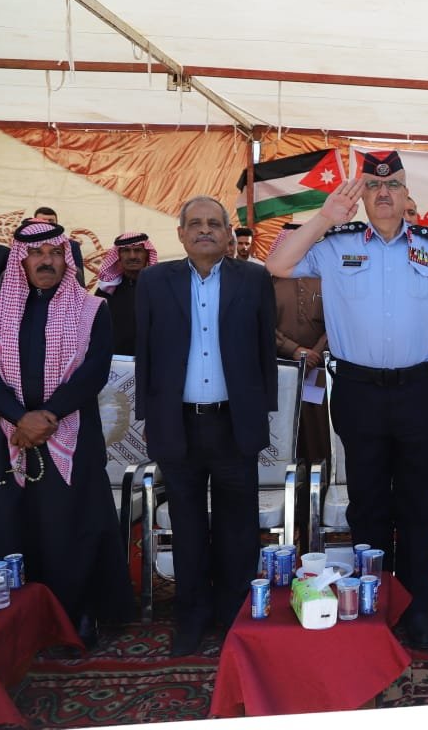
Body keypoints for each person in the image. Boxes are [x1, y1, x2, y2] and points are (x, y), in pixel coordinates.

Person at [265, 151, 428, 650]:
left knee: (417, 503)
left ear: (406, 194)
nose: (383, 194)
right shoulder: (336, 244)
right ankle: (374, 601)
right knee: (368, 503)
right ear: (361, 196)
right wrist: (324, 217)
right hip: (359, 391)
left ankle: (415, 606)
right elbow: (277, 263)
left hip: (419, 389)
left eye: (393, 185)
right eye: (373, 186)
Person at [135, 196, 278, 657]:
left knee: (239, 526)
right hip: (178, 424)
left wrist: (261, 413)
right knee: (187, 525)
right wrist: (149, 416)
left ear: (228, 233)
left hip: (233, 422)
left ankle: (235, 613)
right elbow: (145, 353)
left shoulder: (253, 278)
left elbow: (264, 351)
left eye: (214, 223)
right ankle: (192, 616)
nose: (204, 230)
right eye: (194, 223)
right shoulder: (154, 281)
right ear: (180, 233)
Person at [0, 220, 133, 648]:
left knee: (71, 526)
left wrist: (46, 416)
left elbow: (94, 372)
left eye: (54, 253)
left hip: (72, 432)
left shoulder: (92, 309)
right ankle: (18, 622)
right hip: (8, 435)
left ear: (66, 259)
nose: (46, 261)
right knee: (13, 525)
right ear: (21, 260)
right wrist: (19, 417)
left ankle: (77, 613)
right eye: (36, 254)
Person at [269, 224, 330, 463]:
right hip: (281, 366)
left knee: (315, 418)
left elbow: (337, 321)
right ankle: (287, 473)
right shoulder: (269, 282)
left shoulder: (325, 278)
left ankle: (318, 473)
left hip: (317, 368)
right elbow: (262, 323)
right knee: (284, 420)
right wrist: (293, 350)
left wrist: (315, 352)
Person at [94, 232, 158, 356]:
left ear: (147, 254)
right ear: (118, 256)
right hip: (116, 360)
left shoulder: (160, 287)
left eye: (138, 250)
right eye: (126, 251)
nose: (132, 256)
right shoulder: (106, 290)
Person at [32, 208, 85, 286]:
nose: (47, 224)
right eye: (42, 221)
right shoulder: (26, 246)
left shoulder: (72, 245)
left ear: (57, 223)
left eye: (51, 221)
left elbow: (79, 276)